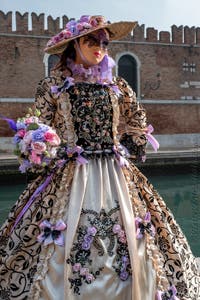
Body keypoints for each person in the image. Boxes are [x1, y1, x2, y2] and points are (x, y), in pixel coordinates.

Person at [0, 15, 199, 300]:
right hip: (70, 174)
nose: (99, 48)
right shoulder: (53, 85)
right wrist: (40, 144)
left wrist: (130, 144)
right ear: (73, 46)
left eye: (104, 42)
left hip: (117, 172)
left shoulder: (117, 86)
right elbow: (39, 123)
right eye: (91, 41)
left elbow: (137, 119)